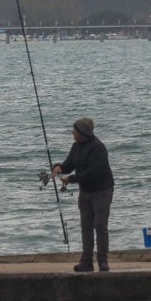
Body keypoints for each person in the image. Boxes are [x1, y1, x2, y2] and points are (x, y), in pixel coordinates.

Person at [51, 116, 115, 272]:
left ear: (82, 132)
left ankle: (102, 261)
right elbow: (69, 164)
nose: (72, 133)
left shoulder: (97, 148)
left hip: (102, 191)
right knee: (86, 226)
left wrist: (71, 179)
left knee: (100, 226)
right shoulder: (76, 146)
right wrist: (59, 167)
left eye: (75, 130)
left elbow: (93, 173)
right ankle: (86, 261)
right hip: (85, 191)